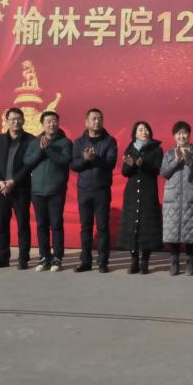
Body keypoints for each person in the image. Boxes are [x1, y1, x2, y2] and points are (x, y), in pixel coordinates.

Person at [23, 111, 72, 272]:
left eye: (54, 121)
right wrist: (41, 150)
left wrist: (48, 149)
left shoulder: (65, 142)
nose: (52, 124)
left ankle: (57, 257)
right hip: (37, 191)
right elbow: (27, 161)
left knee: (56, 224)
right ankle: (44, 257)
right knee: (41, 225)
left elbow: (64, 161)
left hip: (56, 190)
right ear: (42, 124)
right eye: (48, 121)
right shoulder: (34, 142)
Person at [70, 108, 118, 273]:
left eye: (99, 119)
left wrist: (94, 158)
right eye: (94, 119)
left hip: (102, 190)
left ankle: (103, 262)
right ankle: (86, 261)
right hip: (84, 190)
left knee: (103, 227)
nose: (97, 121)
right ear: (86, 122)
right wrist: (85, 160)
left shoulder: (110, 141)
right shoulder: (79, 142)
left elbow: (111, 163)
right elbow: (74, 165)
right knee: (86, 227)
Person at [0, 107, 35, 269]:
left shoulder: (30, 140)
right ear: (7, 121)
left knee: (23, 224)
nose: (16, 122)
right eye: (12, 119)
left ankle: (23, 258)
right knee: (2, 225)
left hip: (21, 190)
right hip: (1, 190)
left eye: (18, 118)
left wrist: (14, 181)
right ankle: (2, 258)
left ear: (23, 120)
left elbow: (29, 165)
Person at [159, 121, 193, 276]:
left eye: (184, 133)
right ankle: (174, 261)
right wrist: (177, 160)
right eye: (178, 133)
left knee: (191, 231)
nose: (181, 136)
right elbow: (164, 172)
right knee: (173, 231)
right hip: (173, 198)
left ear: (189, 135)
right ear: (174, 136)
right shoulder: (168, 154)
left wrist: (189, 160)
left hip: (190, 197)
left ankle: (190, 262)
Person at [117, 121, 164, 274]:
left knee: (147, 228)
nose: (143, 132)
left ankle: (145, 262)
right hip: (131, 194)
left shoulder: (157, 149)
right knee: (132, 227)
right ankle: (134, 261)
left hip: (148, 193)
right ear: (135, 134)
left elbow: (157, 170)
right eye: (140, 130)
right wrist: (131, 165)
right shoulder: (130, 148)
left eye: (146, 129)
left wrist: (143, 164)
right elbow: (125, 172)